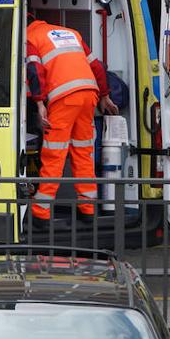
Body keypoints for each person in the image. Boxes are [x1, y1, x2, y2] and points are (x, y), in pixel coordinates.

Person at [26, 13, 119, 222]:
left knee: (54, 154)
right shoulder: (70, 33)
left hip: (63, 98)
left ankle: (41, 214)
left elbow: (34, 71)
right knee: (83, 152)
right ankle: (88, 210)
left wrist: (39, 103)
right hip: (89, 95)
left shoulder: (29, 37)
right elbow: (97, 66)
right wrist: (104, 95)